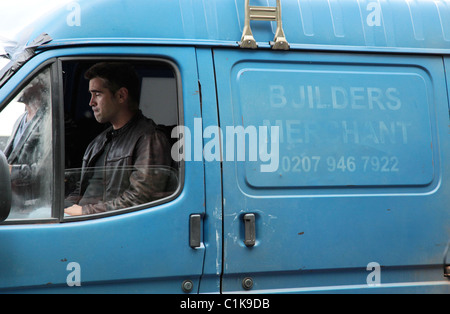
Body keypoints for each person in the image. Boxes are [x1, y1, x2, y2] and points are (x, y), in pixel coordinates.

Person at [64, 62, 174, 216]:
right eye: (91, 94)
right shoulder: (99, 141)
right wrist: (62, 209)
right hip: (87, 225)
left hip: (111, 229)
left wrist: (85, 212)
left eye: (98, 94)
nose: (91, 102)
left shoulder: (149, 139)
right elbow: (82, 189)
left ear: (121, 95)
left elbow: (141, 199)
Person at [4, 71, 53, 216]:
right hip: (14, 202)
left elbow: (48, 170)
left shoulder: (52, 120)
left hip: (36, 207)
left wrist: (12, 171)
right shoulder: (20, 120)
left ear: (40, 84)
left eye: (25, 77)